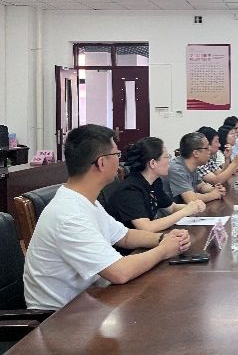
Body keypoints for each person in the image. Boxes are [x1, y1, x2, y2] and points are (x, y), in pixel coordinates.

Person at [23, 124, 191, 310]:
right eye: (117, 155)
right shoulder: (68, 214)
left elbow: (125, 236)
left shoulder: (86, 201)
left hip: (92, 298)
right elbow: (120, 272)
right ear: (101, 163)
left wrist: (163, 238)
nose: (120, 161)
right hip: (60, 317)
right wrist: (164, 250)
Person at [105, 137, 206, 232]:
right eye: (166, 157)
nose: (169, 161)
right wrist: (185, 211)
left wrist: (193, 207)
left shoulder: (155, 182)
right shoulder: (130, 189)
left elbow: (172, 208)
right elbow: (147, 227)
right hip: (129, 244)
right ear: (153, 163)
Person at [163, 132, 225, 204]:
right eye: (207, 148)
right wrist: (213, 195)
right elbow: (190, 199)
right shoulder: (177, 169)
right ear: (196, 153)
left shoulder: (192, 166)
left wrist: (216, 190)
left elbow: (201, 186)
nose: (210, 150)